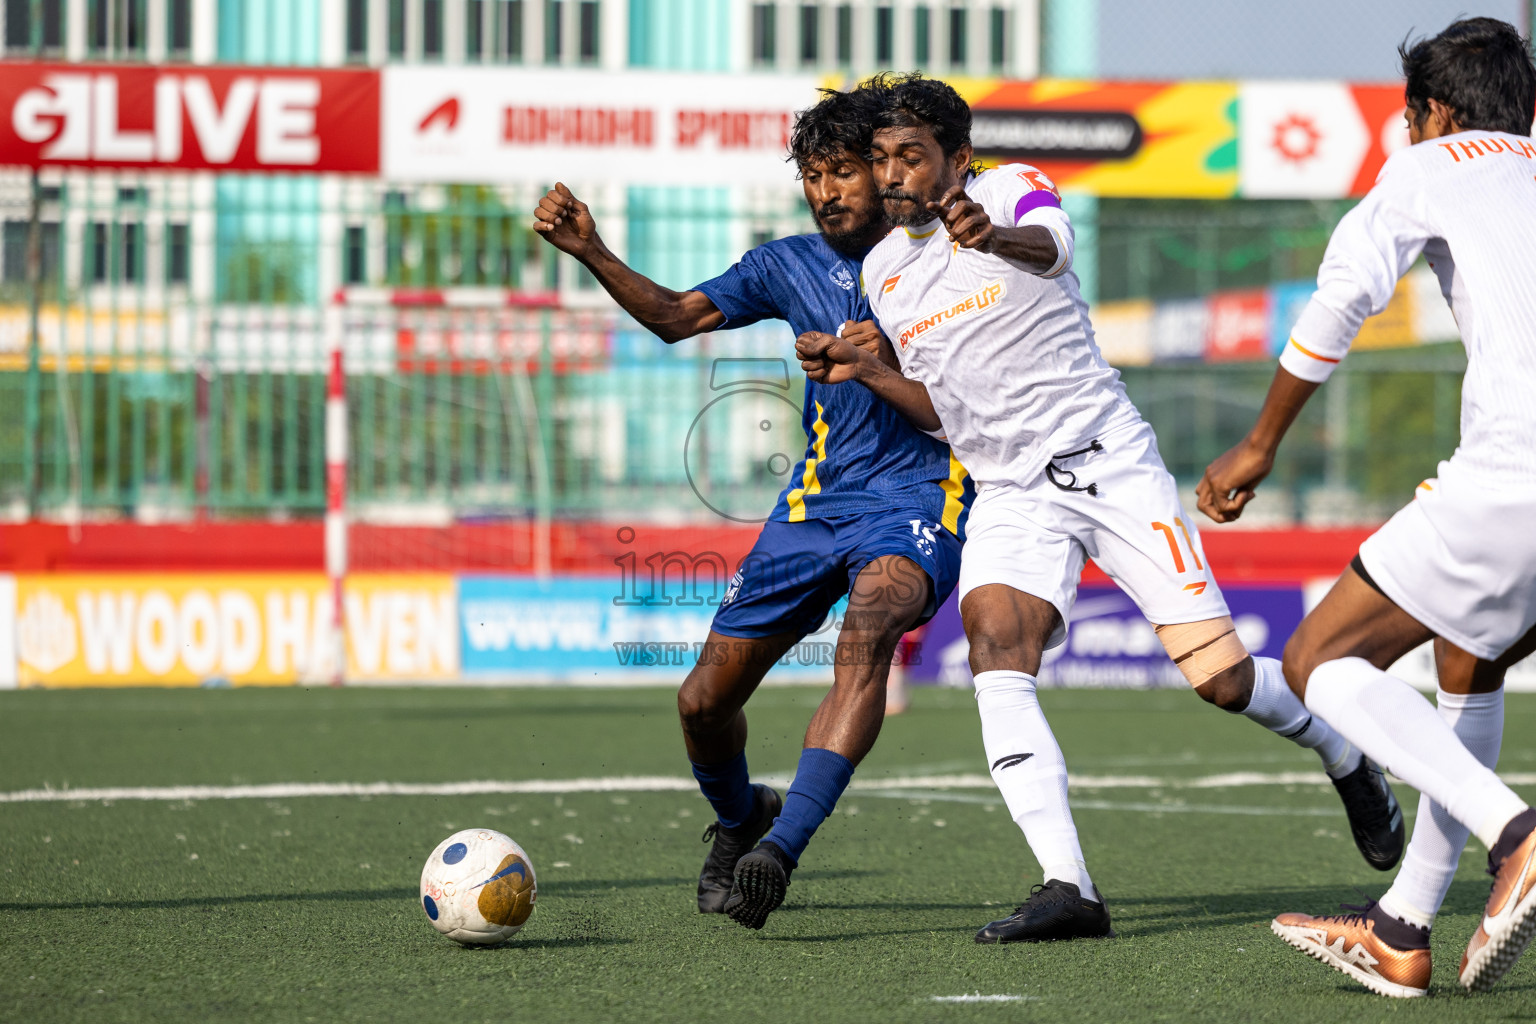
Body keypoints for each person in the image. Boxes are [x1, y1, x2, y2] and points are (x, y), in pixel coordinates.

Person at [796, 73, 1403, 944]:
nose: (891, 176)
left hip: (1109, 464)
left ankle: (1345, 754)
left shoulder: (1011, 191)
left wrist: (995, 237)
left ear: (957, 161)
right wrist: (870, 372)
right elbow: (943, 407)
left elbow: (1051, 248)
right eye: (880, 160)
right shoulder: (884, 273)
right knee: (995, 650)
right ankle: (1067, 886)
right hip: (1008, 489)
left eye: (911, 157)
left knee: (1223, 682)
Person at [533, 88, 972, 931]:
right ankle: (744, 823)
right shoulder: (786, 266)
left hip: (921, 494)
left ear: (885, 172)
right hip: (814, 505)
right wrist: (590, 249)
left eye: (843, 171)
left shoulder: (951, 260)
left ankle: (784, 848)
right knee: (702, 701)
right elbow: (674, 317)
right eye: (814, 175)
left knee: (872, 625)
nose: (826, 191)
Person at [1197, 17, 1536, 997]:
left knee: (1318, 661)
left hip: (1514, 471)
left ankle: (1515, 832)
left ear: (1427, 112)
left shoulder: (1429, 167)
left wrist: (1259, 442)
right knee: (1466, 664)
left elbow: (1340, 302)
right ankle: (1402, 926)